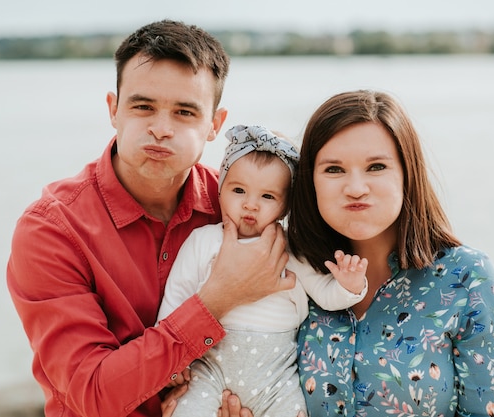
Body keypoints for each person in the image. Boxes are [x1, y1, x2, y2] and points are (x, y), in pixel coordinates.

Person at [7, 20, 296, 417]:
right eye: (143, 107)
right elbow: (92, 394)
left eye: (184, 112)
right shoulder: (52, 229)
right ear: (113, 109)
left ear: (214, 125)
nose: (161, 129)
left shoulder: (243, 207)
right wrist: (218, 299)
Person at [287, 90, 494, 416]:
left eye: (376, 166)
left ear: (408, 173)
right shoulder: (289, 271)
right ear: (310, 181)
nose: (355, 187)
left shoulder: (466, 277)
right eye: (334, 169)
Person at [156, 124, 369, 417]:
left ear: (285, 207)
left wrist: (349, 285)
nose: (250, 205)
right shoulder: (203, 240)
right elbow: (176, 297)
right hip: (209, 366)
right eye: (239, 190)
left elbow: (325, 295)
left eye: (267, 197)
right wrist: (171, 360)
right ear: (220, 190)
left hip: (276, 374)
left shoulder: (290, 248)